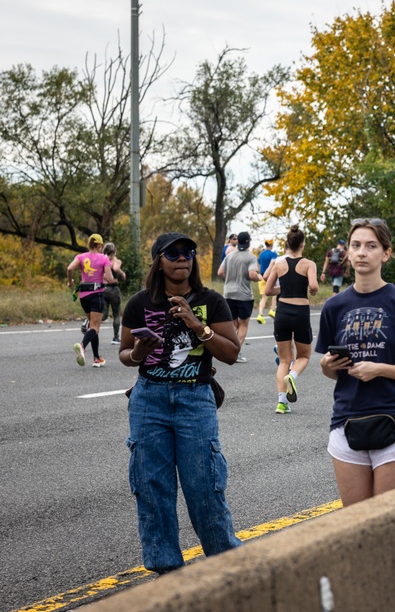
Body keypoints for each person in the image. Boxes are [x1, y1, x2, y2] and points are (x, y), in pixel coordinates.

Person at [119, 232, 242, 574]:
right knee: (152, 489)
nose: (182, 258)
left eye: (188, 252)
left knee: (204, 487)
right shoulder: (139, 303)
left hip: (194, 400)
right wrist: (139, 353)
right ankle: (167, 571)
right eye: (172, 253)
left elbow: (231, 353)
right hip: (149, 400)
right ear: (159, 260)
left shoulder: (211, 300)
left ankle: (227, 567)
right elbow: (126, 355)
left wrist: (196, 324)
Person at [316, 218, 395, 506]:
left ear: (386, 253)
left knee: (386, 522)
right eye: (356, 245)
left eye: (371, 246)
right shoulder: (334, 306)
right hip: (346, 421)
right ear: (348, 253)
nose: (362, 252)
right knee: (355, 524)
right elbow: (331, 372)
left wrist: (378, 369)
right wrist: (327, 366)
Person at [265, 225, 318, 414]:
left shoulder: (279, 264)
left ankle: (281, 403)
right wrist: (312, 289)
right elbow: (313, 285)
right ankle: (293, 377)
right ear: (302, 244)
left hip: (283, 311)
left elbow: (267, 290)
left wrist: (285, 289)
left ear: (288, 243)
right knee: (303, 356)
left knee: (284, 359)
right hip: (301, 312)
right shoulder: (309, 264)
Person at [67, 233, 113, 367]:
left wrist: (70, 282)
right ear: (99, 245)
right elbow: (110, 279)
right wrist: (106, 276)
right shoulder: (103, 258)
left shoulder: (80, 257)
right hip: (96, 294)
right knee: (95, 326)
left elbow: (70, 268)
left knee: (93, 326)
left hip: (84, 296)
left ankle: (97, 358)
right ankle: (82, 346)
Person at [217, 232, 261, 363]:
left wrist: (229, 280)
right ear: (248, 242)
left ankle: (224, 348)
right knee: (243, 325)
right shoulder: (251, 257)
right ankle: (235, 353)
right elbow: (253, 274)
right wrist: (260, 277)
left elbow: (220, 272)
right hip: (243, 295)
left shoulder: (229, 256)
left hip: (228, 293)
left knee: (234, 324)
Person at [101, 242, 127, 344]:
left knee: (103, 315)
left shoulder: (102, 261)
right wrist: (122, 273)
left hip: (103, 289)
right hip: (113, 289)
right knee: (116, 314)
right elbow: (116, 268)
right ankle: (116, 338)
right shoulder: (116, 261)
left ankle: (88, 323)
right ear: (114, 251)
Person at [255, 239, 278, 324]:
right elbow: (275, 264)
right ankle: (272, 309)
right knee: (275, 293)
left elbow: (258, 266)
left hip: (261, 277)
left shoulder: (261, 254)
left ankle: (260, 315)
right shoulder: (274, 254)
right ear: (271, 245)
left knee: (264, 297)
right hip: (270, 276)